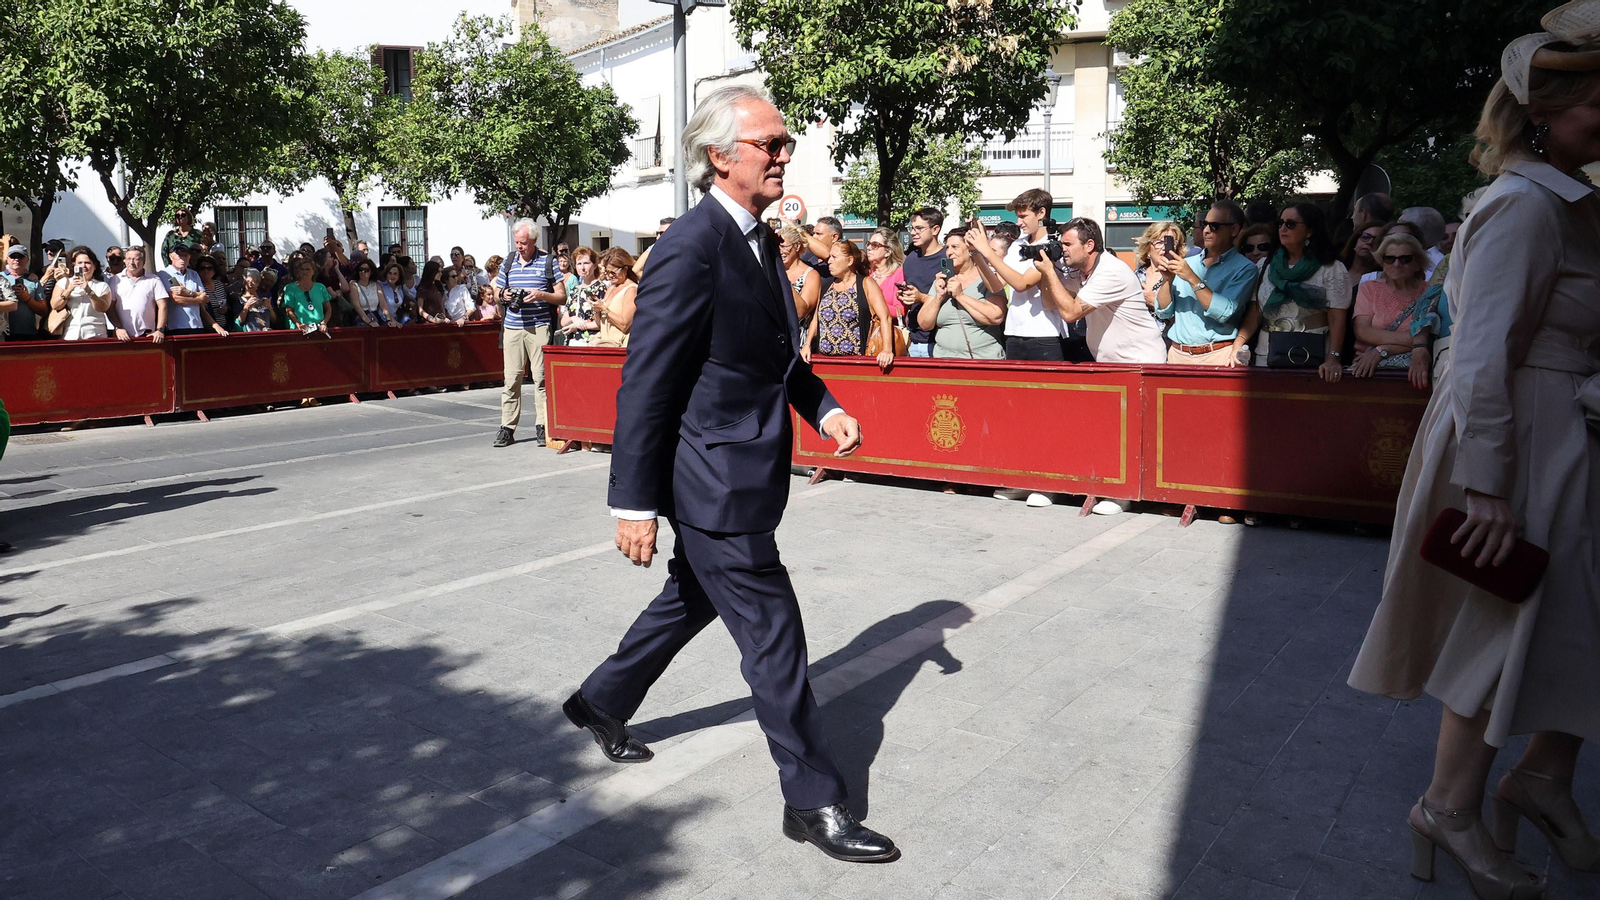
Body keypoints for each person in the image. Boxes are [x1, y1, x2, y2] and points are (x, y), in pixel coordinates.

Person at [569, 85, 896, 864]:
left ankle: (600, 701)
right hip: (711, 480)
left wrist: (826, 407)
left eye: (785, 144)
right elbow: (647, 381)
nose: (785, 155)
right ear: (721, 157)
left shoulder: (758, 239)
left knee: (692, 598)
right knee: (775, 635)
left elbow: (773, 356)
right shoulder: (692, 242)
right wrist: (632, 502)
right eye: (770, 146)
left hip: (741, 468)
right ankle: (813, 799)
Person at [1350, 9, 1600, 897]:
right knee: (1505, 615)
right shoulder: (1526, 204)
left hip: (1561, 431)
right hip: (1525, 437)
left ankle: (1539, 778)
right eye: (1597, 102)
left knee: (1567, 615)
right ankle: (1448, 808)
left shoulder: (1564, 198)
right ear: (1546, 108)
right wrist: (1487, 484)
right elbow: (1484, 350)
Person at [1035, 217, 1168, 365]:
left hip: (1140, 360)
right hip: (1112, 361)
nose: (1062, 249)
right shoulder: (1079, 271)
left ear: (1089, 245)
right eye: (1061, 245)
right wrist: (1048, 271)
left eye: (1068, 244)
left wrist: (1050, 273)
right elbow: (1049, 304)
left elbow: (1071, 313)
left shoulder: (1112, 271)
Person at [1242, 203, 1351, 382]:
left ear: (1309, 231)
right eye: (1281, 223)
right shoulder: (1265, 266)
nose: (1283, 228)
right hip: (1267, 351)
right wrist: (1238, 344)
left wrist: (1333, 357)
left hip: (1312, 351)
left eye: (1290, 224)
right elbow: (1255, 312)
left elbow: (1337, 317)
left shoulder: (1331, 268)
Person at [967, 189, 1077, 361]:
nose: (1019, 222)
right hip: (1013, 332)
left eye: (1024, 216)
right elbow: (995, 285)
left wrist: (987, 250)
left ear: (1041, 213)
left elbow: (1022, 284)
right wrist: (976, 254)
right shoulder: (1018, 244)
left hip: (1045, 334)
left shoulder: (1053, 245)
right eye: (1018, 216)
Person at [1151, 200, 1257, 365]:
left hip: (1217, 354)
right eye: (1204, 224)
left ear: (1234, 230)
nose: (1206, 230)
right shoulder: (1187, 263)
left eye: (1214, 226)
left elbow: (1224, 312)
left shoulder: (1245, 268)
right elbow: (1163, 312)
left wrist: (1193, 278)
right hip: (1178, 354)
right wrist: (1168, 279)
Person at [495, 218, 566, 448]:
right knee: (511, 379)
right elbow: (496, 291)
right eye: (517, 242)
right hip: (513, 327)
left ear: (534, 240)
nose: (519, 246)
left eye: (523, 242)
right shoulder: (508, 262)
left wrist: (541, 295)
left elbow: (561, 296)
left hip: (539, 326)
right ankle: (507, 427)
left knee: (541, 379)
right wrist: (503, 295)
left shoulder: (548, 262)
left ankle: (542, 426)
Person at [1348, 232, 1432, 388]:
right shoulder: (1370, 289)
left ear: (1418, 262)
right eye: (1389, 259)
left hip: (1417, 372)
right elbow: (1363, 331)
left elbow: (1432, 338)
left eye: (1405, 259)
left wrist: (1383, 350)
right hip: (1368, 371)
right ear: (1382, 261)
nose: (1396, 264)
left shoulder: (1430, 292)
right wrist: (1417, 342)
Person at [912, 226, 1005, 360]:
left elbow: (996, 316)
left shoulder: (987, 279)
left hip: (983, 360)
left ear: (969, 249)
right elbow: (924, 324)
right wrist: (938, 297)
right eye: (947, 248)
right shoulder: (941, 280)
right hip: (944, 360)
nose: (949, 252)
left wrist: (961, 296)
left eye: (955, 247)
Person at [802, 239, 895, 372]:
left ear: (850, 260)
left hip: (856, 363)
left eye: (834, 257)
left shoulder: (866, 283)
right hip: (824, 361)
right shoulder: (827, 285)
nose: (829, 261)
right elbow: (817, 318)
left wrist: (887, 350)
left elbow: (885, 317)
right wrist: (807, 344)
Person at [896, 207, 946, 358]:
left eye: (919, 228)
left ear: (935, 229)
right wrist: (905, 297)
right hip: (914, 338)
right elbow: (911, 300)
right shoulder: (911, 258)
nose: (912, 233)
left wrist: (921, 297)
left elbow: (951, 300)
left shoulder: (947, 258)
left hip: (937, 340)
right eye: (912, 228)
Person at [157, 246, 228, 337]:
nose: (182, 259)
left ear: (189, 257)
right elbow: (176, 299)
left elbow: (205, 297)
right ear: (171, 256)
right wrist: (199, 299)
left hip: (197, 325)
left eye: (185, 255)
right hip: (177, 327)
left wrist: (187, 292)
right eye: (179, 256)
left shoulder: (193, 274)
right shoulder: (167, 274)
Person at [50, 246, 113, 341]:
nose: (83, 266)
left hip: (95, 335)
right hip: (69, 335)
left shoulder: (102, 286)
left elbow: (102, 308)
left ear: (94, 266)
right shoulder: (64, 282)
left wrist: (88, 290)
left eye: (87, 263)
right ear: (74, 265)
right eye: (80, 263)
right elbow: (55, 305)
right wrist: (69, 289)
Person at [106, 246, 168, 342]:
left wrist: (160, 330)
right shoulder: (115, 280)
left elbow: (163, 306)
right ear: (125, 261)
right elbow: (110, 307)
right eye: (129, 259)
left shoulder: (154, 280)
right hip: (123, 336)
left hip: (148, 336)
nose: (132, 262)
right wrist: (118, 327)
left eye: (136, 259)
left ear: (143, 261)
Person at [1133, 222, 1186, 314]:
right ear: (1148, 248)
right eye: (1159, 242)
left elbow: (1186, 319)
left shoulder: (1182, 278)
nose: (1164, 248)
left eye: (1170, 243)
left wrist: (1154, 302)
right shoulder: (1136, 277)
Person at [591, 247, 638, 349]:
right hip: (605, 345)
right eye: (607, 272)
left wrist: (604, 308)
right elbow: (600, 325)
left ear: (625, 269)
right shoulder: (611, 288)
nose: (609, 276)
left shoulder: (631, 290)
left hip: (621, 347)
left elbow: (625, 325)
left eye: (613, 272)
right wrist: (596, 310)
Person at [560, 247, 605, 345]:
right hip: (573, 342)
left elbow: (603, 323)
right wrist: (574, 319)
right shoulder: (574, 290)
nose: (582, 268)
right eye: (579, 264)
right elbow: (564, 322)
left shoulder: (601, 289)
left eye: (586, 263)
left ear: (594, 265)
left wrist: (579, 325)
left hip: (593, 341)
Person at [4, 244, 48, 341]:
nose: (16, 259)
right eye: (13, 256)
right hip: (3, 333)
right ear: (7, 259)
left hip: (27, 333)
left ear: (27, 259)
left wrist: (27, 298)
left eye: (20, 256)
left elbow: (43, 311)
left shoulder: (33, 281)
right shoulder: (1, 278)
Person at [780, 224, 821, 324]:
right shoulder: (773, 270)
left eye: (784, 246)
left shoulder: (811, 275)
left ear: (797, 246)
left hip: (798, 334)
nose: (780, 251)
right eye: (777, 247)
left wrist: (785, 281)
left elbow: (801, 311)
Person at [281, 258, 332, 335]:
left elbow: (328, 308)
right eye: (302, 269)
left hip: (319, 330)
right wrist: (298, 324)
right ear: (297, 272)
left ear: (313, 271)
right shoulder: (290, 288)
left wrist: (324, 323)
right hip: (298, 331)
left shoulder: (321, 287)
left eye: (307, 269)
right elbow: (289, 311)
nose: (304, 272)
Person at [865, 226, 907, 318]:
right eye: (868, 244)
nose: (869, 248)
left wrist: (873, 305)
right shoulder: (866, 274)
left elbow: (900, 311)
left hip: (886, 329)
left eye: (875, 245)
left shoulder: (898, 275)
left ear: (888, 251)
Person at [348, 258, 392, 327]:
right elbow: (356, 306)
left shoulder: (376, 284)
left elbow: (383, 304)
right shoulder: (353, 284)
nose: (363, 272)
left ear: (371, 272)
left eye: (366, 270)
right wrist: (369, 322)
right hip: (360, 318)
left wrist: (388, 319)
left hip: (375, 316)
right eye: (361, 269)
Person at [194, 255, 231, 332]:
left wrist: (225, 308)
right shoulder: (197, 287)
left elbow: (225, 302)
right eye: (202, 268)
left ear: (214, 271)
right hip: (207, 330)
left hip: (224, 327)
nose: (206, 271)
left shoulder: (219, 285)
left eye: (209, 268)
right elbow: (201, 310)